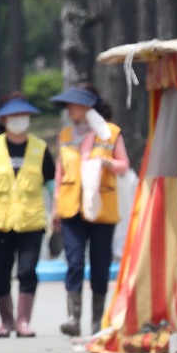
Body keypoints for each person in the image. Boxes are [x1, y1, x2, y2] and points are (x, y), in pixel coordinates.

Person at [49, 83, 130, 336]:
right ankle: (74, 318)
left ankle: (97, 321)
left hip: (101, 207)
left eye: (72, 106)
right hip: (72, 208)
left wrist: (106, 163)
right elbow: (60, 173)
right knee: (74, 261)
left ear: (86, 107)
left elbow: (124, 165)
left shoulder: (111, 133)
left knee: (100, 263)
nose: (68, 110)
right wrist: (54, 207)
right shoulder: (64, 136)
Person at [0, 93, 55, 338]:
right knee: (1, 272)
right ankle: (6, 321)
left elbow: (52, 185)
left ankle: (23, 321)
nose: (20, 119)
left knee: (27, 271)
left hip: (31, 222)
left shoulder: (41, 149)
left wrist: (59, 212)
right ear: (3, 119)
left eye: (24, 115)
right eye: (15, 115)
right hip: (1, 223)